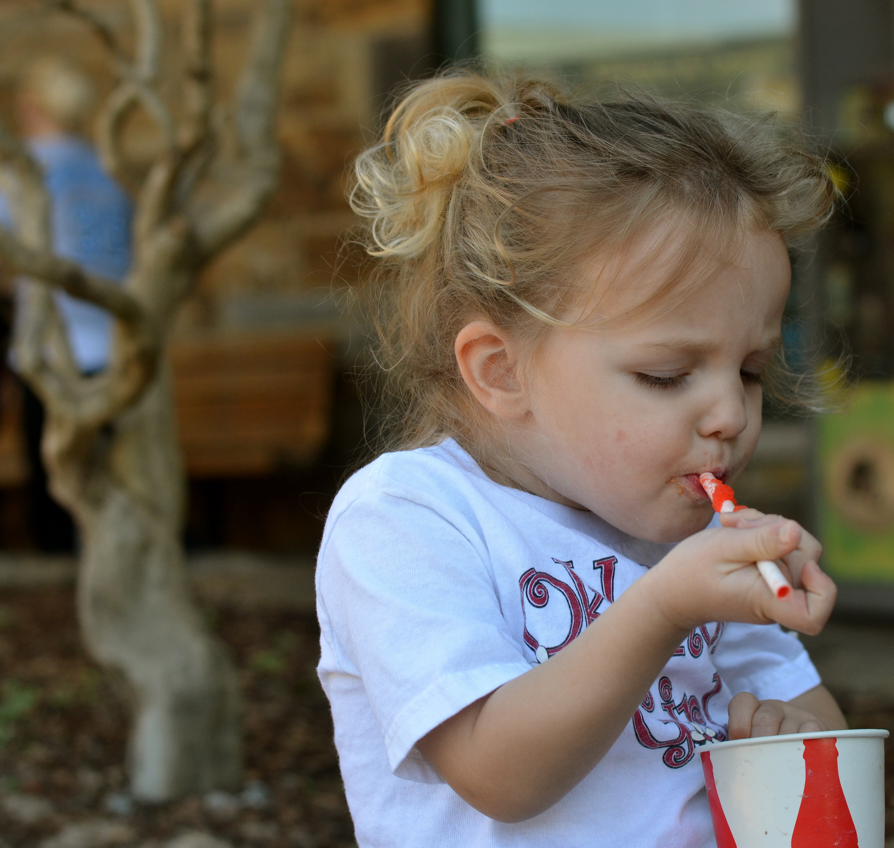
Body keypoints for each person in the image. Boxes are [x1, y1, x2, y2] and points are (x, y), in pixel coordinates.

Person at [316, 71, 844, 847]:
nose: (731, 413)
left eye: (751, 371)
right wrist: (664, 608)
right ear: (502, 371)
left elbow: (823, 744)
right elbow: (500, 774)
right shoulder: (408, 519)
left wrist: (790, 740)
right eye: (666, 374)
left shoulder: (694, 543)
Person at [0, 57, 133, 551]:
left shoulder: (27, 165)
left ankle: (62, 570)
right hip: (113, 348)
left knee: (56, 484)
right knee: (103, 480)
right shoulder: (104, 167)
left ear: (31, 106)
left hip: (55, 349)